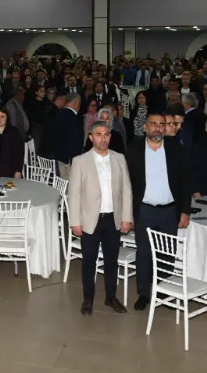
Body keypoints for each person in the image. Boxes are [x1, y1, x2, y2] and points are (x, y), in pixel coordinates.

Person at [126, 111, 191, 311]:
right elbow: (125, 185)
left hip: (169, 211)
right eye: (153, 124)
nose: (157, 128)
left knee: (167, 253)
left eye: (161, 124)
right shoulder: (133, 150)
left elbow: (185, 181)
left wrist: (185, 211)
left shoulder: (176, 149)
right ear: (145, 127)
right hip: (144, 210)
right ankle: (144, 294)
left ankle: (163, 291)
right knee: (144, 253)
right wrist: (127, 213)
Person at [68, 121, 133, 315]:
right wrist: (75, 222)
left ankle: (111, 297)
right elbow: (74, 194)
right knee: (89, 261)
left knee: (112, 261)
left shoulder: (119, 158)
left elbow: (127, 190)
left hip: (113, 218)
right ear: (91, 137)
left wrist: (127, 217)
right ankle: (88, 300)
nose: (103, 138)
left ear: (110, 137)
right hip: (90, 220)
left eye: (106, 134)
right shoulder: (80, 161)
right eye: (98, 134)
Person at [52, 93, 85, 179]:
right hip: (69, 160)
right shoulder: (76, 119)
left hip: (56, 158)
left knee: (60, 183)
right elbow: (77, 142)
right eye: (79, 104)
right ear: (76, 102)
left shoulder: (56, 114)